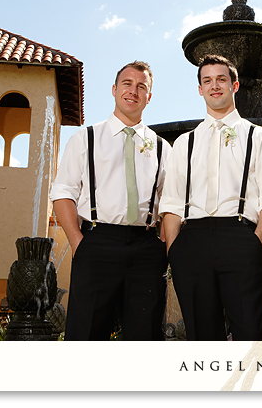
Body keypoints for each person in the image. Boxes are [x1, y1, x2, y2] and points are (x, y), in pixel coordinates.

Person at [159, 54, 262, 341]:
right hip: (191, 242)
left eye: (221, 79)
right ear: (200, 89)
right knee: (201, 336)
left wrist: (255, 242)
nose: (214, 86)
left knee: (250, 332)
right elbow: (172, 203)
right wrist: (175, 251)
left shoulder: (260, 137)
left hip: (240, 237)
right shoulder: (184, 143)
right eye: (207, 80)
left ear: (235, 85)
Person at [49, 61, 171, 341]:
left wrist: (162, 247)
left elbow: (170, 204)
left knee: (146, 338)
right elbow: (63, 192)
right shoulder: (86, 138)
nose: (133, 91)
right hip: (96, 243)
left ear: (149, 97)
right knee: (87, 335)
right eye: (127, 84)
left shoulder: (163, 147)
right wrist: (79, 243)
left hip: (146, 248)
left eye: (142, 86)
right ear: (115, 90)